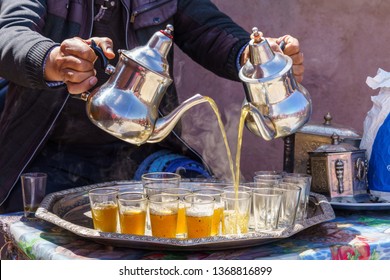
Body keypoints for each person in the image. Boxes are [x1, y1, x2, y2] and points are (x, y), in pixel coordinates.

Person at [0, 0, 304, 213]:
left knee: (202, 213)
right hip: (43, 154)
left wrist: (255, 56)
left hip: (141, 148)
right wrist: (53, 60)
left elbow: (209, 30)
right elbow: (10, 32)